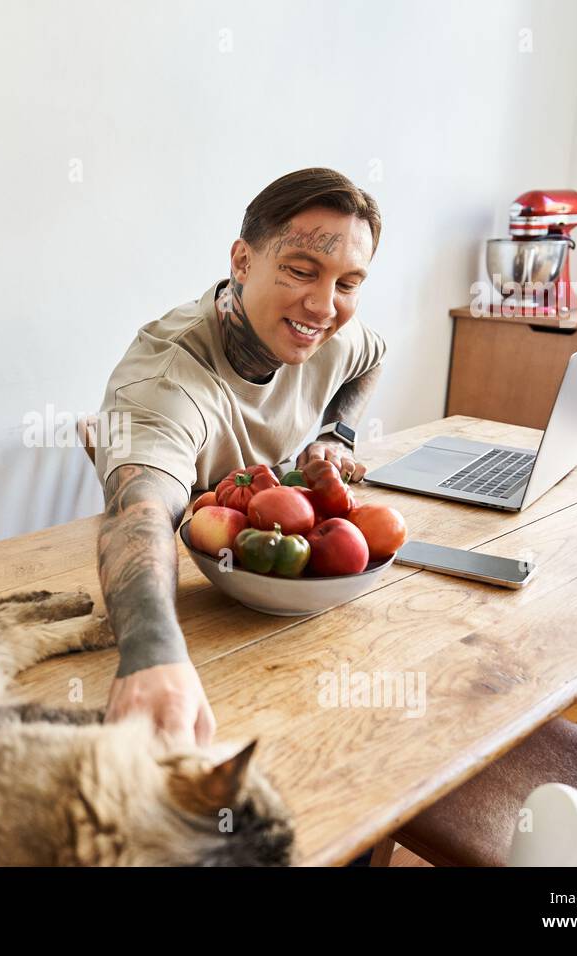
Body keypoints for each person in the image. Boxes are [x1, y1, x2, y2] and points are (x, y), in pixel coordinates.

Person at [93, 167, 386, 749]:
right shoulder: (165, 378)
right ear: (243, 262)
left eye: (348, 283)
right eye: (302, 271)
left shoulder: (327, 333)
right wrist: (153, 655)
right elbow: (140, 513)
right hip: (207, 624)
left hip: (299, 614)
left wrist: (337, 434)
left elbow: (372, 356)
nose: (325, 305)